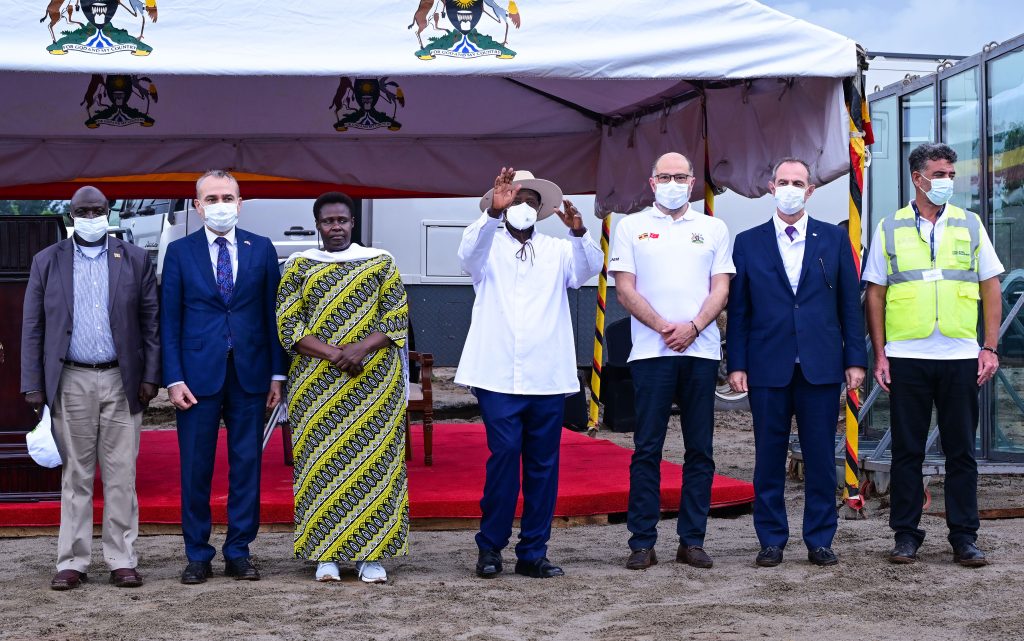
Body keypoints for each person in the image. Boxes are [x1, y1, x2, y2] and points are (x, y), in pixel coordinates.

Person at [456, 168, 603, 579]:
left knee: (543, 465)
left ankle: (533, 551)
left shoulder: (558, 250)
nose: (522, 207)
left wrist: (578, 232)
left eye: (530, 202)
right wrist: (490, 214)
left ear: (540, 211)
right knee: (504, 457)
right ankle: (490, 547)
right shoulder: (487, 245)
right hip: (497, 375)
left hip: (547, 375)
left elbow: (588, 268)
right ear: (501, 203)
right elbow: (466, 255)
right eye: (515, 199)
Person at [864, 142, 1003, 567]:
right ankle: (906, 535)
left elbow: (990, 286)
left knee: (962, 451)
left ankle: (964, 537)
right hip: (907, 355)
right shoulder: (890, 227)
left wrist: (989, 346)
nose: (946, 182)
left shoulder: (970, 224)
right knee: (908, 450)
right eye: (939, 174)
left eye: (950, 175)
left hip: (961, 354)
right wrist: (881, 354)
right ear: (917, 177)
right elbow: (875, 293)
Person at [727, 158, 867, 567]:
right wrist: (737, 364)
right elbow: (739, 311)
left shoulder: (833, 240)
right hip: (767, 364)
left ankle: (820, 539)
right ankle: (771, 539)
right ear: (771, 187)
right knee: (768, 457)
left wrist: (855, 358)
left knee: (821, 457)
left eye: (798, 182)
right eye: (783, 181)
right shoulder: (748, 242)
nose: (790, 188)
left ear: (810, 191)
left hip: (820, 365)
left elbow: (849, 305)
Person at [21, 185, 160, 590]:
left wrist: (151, 377)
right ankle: (72, 561)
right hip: (70, 379)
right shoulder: (47, 261)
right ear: (71, 215)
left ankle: (121, 558)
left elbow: (151, 321)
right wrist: (33, 384)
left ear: (109, 211)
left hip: (122, 379)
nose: (90, 216)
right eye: (82, 211)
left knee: (122, 473)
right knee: (76, 474)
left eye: (97, 209)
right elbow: (32, 327)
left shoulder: (134, 258)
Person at [276, 192, 410, 584]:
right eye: (328, 221)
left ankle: (373, 556)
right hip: (316, 385)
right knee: (320, 466)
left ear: (353, 223)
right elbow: (289, 325)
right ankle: (325, 556)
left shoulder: (381, 262)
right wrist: (338, 354)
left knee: (376, 464)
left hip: (373, 382)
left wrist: (360, 349)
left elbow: (396, 315)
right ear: (317, 225)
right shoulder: (299, 265)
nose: (336, 227)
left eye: (342, 220)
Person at [609, 151, 734, 571]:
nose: (674, 182)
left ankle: (692, 540)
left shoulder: (713, 228)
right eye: (665, 176)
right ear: (652, 181)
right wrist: (665, 326)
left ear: (693, 181)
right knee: (647, 449)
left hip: (699, 352)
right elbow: (624, 289)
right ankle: (642, 542)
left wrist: (694, 327)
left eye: (681, 176)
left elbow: (721, 288)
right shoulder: (631, 226)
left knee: (700, 450)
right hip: (651, 353)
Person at [161, 170, 286, 584]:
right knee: (195, 469)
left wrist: (276, 373)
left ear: (241, 202)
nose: (220, 205)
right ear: (197, 206)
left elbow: (273, 315)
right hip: (196, 379)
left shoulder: (262, 249)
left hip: (250, 375)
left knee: (246, 466)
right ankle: (197, 554)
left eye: (227, 197)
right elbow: (170, 320)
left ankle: (239, 551)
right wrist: (173, 377)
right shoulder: (179, 253)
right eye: (211, 198)